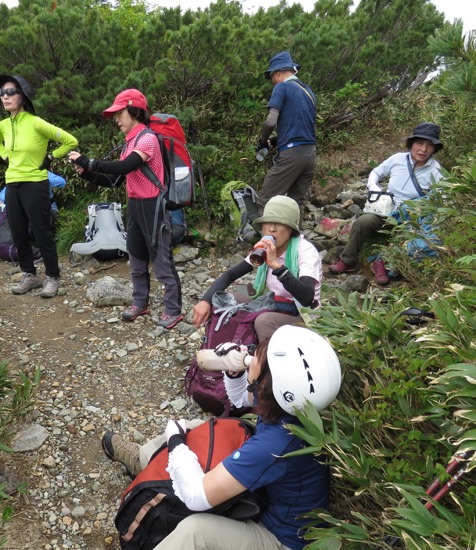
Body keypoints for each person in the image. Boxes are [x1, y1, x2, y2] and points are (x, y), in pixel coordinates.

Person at [83, 325, 341, 550]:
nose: (251, 354)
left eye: (259, 357)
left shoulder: (275, 445)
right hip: (270, 499)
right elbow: (243, 398)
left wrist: (175, 443)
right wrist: (234, 371)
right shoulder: (290, 411)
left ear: (272, 384)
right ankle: (144, 460)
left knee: (195, 535)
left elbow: (196, 496)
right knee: (198, 428)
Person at [68, 89, 183, 329]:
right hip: (135, 205)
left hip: (153, 206)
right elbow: (115, 180)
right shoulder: (129, 143)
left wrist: (90, 162)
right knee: (137, 258)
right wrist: (88, 174)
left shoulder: (147, 139)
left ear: (134, 111)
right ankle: (140, 302)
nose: (117, 120)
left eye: (119, 114)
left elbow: (124, 167)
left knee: (161, 260)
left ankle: (173, 309)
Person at [0, 74, 78, 297]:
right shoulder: (2, 126)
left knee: (41, 232)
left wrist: (50, 157)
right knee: (18, 232)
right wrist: (4, 155)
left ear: (22, 96)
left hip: (35, 184)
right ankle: (29, 274)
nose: (5, 96)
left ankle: (53, 277)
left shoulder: (36, 122)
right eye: (2, 93)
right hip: (12, 185)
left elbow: (71, 140)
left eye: (10, 92)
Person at [191, 195, 321, 342]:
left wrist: (277, 267)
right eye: (268, 223)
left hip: (301, 315)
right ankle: (228, 349)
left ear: (291, 229)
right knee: (223, 301)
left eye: (279, 224)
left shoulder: (304, 251)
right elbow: (230, 275)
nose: (271, 229)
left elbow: (307, 297)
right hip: (274, 304)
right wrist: (206, 300)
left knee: (264, 321)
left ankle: (265, 362)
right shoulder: (264, 248)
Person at [328, 122, 445, 285]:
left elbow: (442, 199)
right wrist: (373, 186)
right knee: (362, 222)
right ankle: (348, 260)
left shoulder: (436, 171)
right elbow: (376, 172)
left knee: (407, 237)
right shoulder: (397, 159)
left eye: (429, 145)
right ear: (412, 143)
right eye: (419, 143)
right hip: (387, 212)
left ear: (435, 148)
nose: (423, 149)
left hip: (411, 220)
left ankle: (381, 263)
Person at [256, 51, 317, 209]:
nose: (272, 82)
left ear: (277, 73)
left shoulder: (282, 87)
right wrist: (276, 140)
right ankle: (295, 234)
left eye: (271, 78)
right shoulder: (308, 91)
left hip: (291, 155)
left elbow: (270, 122)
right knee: (295, 203)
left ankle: (259, 233)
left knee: (265, 200)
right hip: (310, 154)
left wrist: (263, 141)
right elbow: (302, 125)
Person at [0, 172, 66, 255]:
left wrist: (39, 180)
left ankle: (34, 244)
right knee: (2, 208)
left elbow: (62, 182)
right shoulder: (17, 174)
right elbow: (2, 194)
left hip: (47, 208)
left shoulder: (42, 172)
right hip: (24, 208)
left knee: (30, 210)